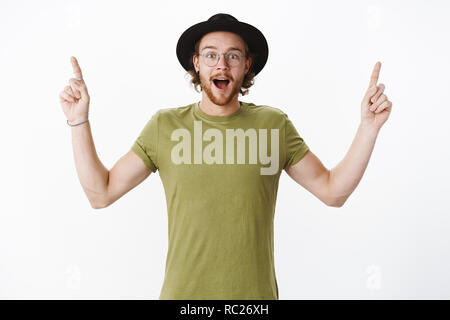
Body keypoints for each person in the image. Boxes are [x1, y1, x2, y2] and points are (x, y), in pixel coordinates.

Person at [58, 13, 393, 300]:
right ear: (196, 62)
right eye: (211, 55)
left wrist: (368, 128)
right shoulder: (165, 126)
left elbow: (333, 192)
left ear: (247, 64)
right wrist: (78, 121)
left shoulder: (272, 125)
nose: (222, 64)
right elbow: (100, 194)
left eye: (233, 56)